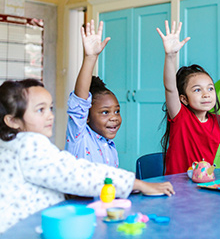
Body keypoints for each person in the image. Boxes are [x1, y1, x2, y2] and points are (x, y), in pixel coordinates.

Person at [0, 79, 175, 234]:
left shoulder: (12, 144)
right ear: (12, 121)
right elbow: (76, 173)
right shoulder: (28, 145)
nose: (50, 115)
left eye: (50, 108)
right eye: (40, 110)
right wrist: (136, 183)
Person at [156, 20, 220, 175]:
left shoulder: (218, 122)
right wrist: (170, 56)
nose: (206, 94)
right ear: (183, 99)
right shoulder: (180, 116)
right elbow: (170, 88)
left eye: (210, 88)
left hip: (205, 186)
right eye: (197, 90)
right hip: (177, 188)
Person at [65, 20, 120, 167]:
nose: (114, 117)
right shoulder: (79, 136)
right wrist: (90, 58)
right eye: (105, 112)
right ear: (86, 117)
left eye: (117, 111)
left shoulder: (110, 145)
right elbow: (80, 102)